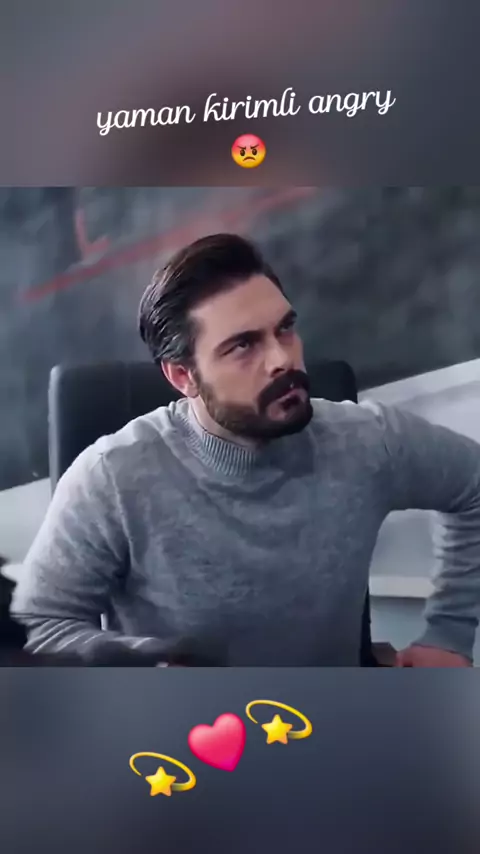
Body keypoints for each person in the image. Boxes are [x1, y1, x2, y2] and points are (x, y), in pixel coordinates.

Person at [12, 233, 480, 666]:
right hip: (181, 723)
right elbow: (38, 627)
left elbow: (473, 485)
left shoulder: (367, 440)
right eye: (243, 346)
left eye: (285, 329)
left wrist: (449, 634)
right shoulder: (112, 477)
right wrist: (144, 664)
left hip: (329, 713)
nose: (282, 359)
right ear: (183, 376)